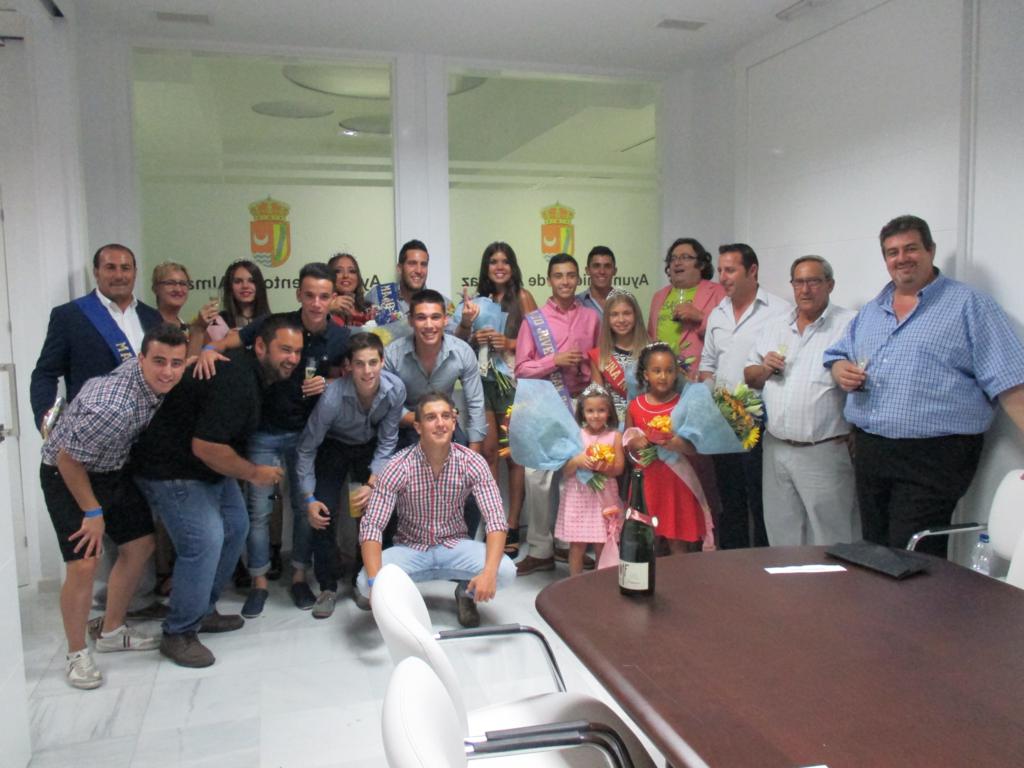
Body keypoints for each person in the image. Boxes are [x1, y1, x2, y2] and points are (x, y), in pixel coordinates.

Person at [825, 215, 1024, 556]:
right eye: (892, 252)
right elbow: (838, 354)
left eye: (911, 248)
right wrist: (840, 369)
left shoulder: (969, 306)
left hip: (935, 455)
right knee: (876, 549)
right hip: (872, 449)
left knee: (914, 553)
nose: (902, 258)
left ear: (930, 250)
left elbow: (1011, 383)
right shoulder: (872, 311)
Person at [132, 314, 302, 667]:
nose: (292, 358)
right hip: (173, 469)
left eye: (297, 352)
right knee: (205, 540)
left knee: (236, 528)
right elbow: (206, 446)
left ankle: (202, 610)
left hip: (207, 468)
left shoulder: (253, 373)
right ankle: (178, 631)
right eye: (285, 349)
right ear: (260, 346)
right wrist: (254, 472)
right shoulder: (237, 379)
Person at [40, 324, 188, 689]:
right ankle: (76, 654)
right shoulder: (113, 406)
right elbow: (67, 460)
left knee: (139, 545)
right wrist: (92, 512)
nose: (168, 372)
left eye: (176, 363)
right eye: (159, 362)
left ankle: (111, 631)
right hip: (67, 474)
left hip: (111, 467)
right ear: (141, 359)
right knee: (84, 563)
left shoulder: (151, 381)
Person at [196, 263, 350, 614]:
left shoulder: (340, 337)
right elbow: (233, 340)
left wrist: (329, 383)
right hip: (263, 432)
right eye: (309, 295)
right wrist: (207, 349)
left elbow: (352, 376)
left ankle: (299, 577)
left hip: (307, 436)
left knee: (303, 509)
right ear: (298, 294)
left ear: (332, 298)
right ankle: (259, 583)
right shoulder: (276, 324)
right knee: (259, 511)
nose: (316, 303)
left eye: (324, 296)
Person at [356, 391, 516, 628]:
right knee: (364, 582)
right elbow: (372, 526)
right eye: (431, 418)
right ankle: (401, 601)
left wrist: (489, 573)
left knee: (505, 571)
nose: (440, 423)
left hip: (454, 546)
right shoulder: (398, 465)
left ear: (454, 422)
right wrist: (374, 583)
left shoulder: (472, 462)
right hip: (410, 549)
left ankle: (466, 593)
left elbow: (495, 519)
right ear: (418, 427)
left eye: (446, 416)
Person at [744, 256, 858, 546]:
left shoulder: (850, 325)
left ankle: (833, 580)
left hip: (824, 450)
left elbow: (864, 380)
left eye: (813, 281)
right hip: (776, 449)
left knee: (831, 537)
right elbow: (750, 376)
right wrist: (764, 369)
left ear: (830, 284)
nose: (805, 289)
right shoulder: (775, 327)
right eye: (799, 282)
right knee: (782, 535)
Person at [296, 332, 405, 619]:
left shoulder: (395, 390)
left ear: (382, 362)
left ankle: (364, 579)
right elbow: (307, 448)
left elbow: (388, 441)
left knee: (373, 509)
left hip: (369, 447)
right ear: (348, 366)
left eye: (373, 363)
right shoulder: (332, 397)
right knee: (324, 511)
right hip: (334, 446)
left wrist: (372, 483)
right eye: (359, 364)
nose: (367, 371)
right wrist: (309, 497)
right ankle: (327, 586)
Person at [514, 253, 601, 575]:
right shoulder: (534, 320)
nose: (565, 281)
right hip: (545, 404)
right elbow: (521, 369)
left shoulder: (592, 318)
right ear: (549, 280)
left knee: (574, 476)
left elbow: (599, 361)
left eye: (570, 275)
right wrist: (555, 360)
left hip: (581, 403)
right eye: (559, 276)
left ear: (578, 279)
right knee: (537, 476)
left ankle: (569, 543)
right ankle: (539, 549)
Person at [699, 243, 790, 549]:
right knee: (729, 495)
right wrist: (707, 395)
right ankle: (732, 561)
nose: (723, 277)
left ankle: (762, 561)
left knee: (760, 497)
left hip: (760, 415)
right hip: (724, 414)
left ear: (752, 271)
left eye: (730, 270)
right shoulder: (718, 313)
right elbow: (708, 363)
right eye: (720, 270)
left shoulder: (780, 312)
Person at [454, 242, 537, 558]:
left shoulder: (523, 297)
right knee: (488, 452)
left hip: (512, 383)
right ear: (485, 267)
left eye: (505, 261)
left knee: (513, 456)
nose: (499, 267)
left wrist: (508, 342)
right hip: (481, 381)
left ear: (513, 266)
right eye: (493, 261)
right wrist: (472, 333)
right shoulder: (475, 302)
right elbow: (457, 342)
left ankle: (513, 524)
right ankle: (494, 523)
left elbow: (540, 340)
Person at [385, 288, 486, 535]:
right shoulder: (392, 354)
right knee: (389, 490)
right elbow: (387, 408)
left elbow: (475, 404)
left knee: (472, 492)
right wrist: (422, 421)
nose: (429, 325)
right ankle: (392, 552)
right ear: (411, 320)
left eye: (435, 317)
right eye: (421, 317)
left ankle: (461, 545)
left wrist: (473, 457)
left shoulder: (462, 351)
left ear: (446, 320)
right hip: (404, 427)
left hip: (446, 426)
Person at [31, 243, 163, 429]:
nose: (119, 275)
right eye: (110, 267)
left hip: (147, 431)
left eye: (125, 268)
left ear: (135, 272)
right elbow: (45, 373)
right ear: (96, 272)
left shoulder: (152, 317)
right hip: (93, 431)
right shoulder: (70, 316)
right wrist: (48, 422)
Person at [625, 342, 708, 554]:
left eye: (669, 371)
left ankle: (677, 575)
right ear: (646, 375)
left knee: (677, 539)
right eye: (657, 371)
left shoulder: (683, 404)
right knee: (645, 541)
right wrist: (634, 444)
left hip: (676, 482)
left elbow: (695, 447)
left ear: (676, 373)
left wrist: (675, 443)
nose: (663, 376)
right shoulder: (635, 406)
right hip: (647, 483)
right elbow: (627, 447)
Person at [555, 385, 624, 576]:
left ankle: (598, 582)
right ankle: (575, 582)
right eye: (590, 411)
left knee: (603, 542)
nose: (596, 415)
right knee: (577, 544)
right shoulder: (576, 435)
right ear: (582, 412)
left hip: (604, 496)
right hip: (579, 496)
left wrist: (604, 466)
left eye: (601, 410)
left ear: (609, 412)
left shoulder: (615, 436)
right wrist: (577, 461)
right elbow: (566, 471)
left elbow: (619, 468)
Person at [648, 238, 725, 378]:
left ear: (701, 264)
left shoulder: (719, 292)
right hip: (662, 377)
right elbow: (650, 336)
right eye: (673, 258)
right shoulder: (658, 296)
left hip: (699, 377)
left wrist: (700, 317)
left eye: (685, 257)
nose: (677, 262)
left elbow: (728, 335)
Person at [365, 239, 456, 332]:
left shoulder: (444, 304)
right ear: (399, 268)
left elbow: (454, 338)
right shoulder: (377, 295)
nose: (419, 271)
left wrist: (464, 325)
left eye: (423, 264)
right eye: (412, 264)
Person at [589, 290, 649, 425]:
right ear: (607, 319)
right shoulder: (599, 356)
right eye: (614, 314)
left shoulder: (651, 351)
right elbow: (598, 401)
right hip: (612, 425)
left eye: (627, 313)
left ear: (636, 315)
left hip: (646, 421)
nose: (621, 320)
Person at [151, 261, 217, 358]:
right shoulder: (148, 324)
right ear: (155, 288)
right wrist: (198, 330)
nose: (178, 289)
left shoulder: (187, 327)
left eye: (183, 284)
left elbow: (212, 351)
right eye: (170, 283)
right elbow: (180, 365)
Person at [206, 259, 272, 342]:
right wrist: (225, 342)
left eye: (251, 281)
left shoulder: (271, 321)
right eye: (238, 281)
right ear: (230, 287)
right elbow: (208, 348)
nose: (245, 286)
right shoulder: (218, 322)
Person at [327, 252, 373, 328]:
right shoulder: (321, 308)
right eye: (338, 271)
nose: (346, 275)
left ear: (358, 277)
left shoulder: (369, 308)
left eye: (352, 271)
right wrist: (328, 309)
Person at [577, 245, 617, 316]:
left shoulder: (627, 301)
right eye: (596, 266)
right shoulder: (576, 302)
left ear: (614, 271)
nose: (602, 271)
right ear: (587, 270)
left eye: (607, 266)